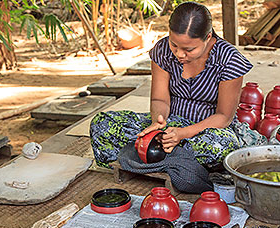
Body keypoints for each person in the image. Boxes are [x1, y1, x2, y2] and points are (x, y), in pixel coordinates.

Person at [90, 1, 254, 172]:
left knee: (222, 147)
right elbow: (159, 98)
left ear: (208, 37)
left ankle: (149, 160)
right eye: (174, 45)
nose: (179, 54)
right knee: (102, 124)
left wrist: (183, 133)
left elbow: (224, 116)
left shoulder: (229, 60)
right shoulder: (162, 50)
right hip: (170, 124)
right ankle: (172, 162)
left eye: (189, 49)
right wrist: (158, 122)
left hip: (206, 130)